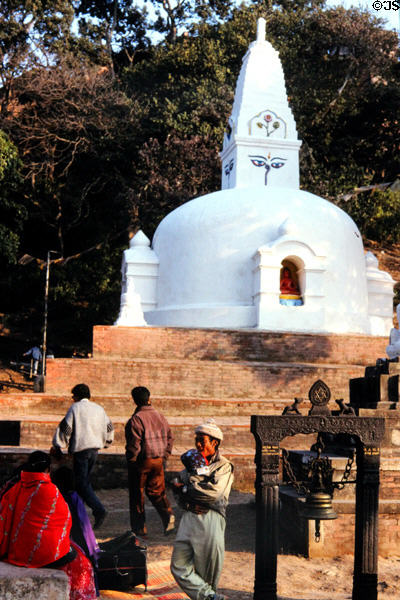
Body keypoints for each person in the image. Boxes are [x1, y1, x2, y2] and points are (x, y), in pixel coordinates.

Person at [0, 451, 97, 600]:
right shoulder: (50, 490)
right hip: (43, 556)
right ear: (47, 470)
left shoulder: (16, 488)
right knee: (83, 565)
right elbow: (64, 523)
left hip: (16, 552)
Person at [170, 418, 234, 600]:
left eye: (202, 440)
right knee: (178, 565)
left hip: (210, 518)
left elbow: (211, 494)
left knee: (206, 571)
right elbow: (176, 487)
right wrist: (186, 496)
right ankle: (209, 597)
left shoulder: (223, 466)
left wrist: (186, 486)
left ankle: (209, 597)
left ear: (214, 442)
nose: (198, 444)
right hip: (189, 516)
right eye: (196, 440)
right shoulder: (192, 463)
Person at [51, 383, 114, 529]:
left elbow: (65, 428)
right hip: (95, 449)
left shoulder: (75, 408)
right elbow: (109, 427)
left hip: (81, 450)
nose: (72, 398)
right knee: (84, 482)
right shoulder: (99, 408)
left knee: (81, 483)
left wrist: (58, 444)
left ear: (77, 396)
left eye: (73, 396)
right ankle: (79, 516)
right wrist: (107, 442)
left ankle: (98, 510)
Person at [125, 385, 175, 536]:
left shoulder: (136, 419)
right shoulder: (161, 416)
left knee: (137, 495)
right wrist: (165, 455)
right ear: (149, 399)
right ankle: (168, 516)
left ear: (134, 401)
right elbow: (170, 438)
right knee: (157, 492)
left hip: (142, 462)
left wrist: (131, 460)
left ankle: (140, 529)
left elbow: (134, 445)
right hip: (159, 460)